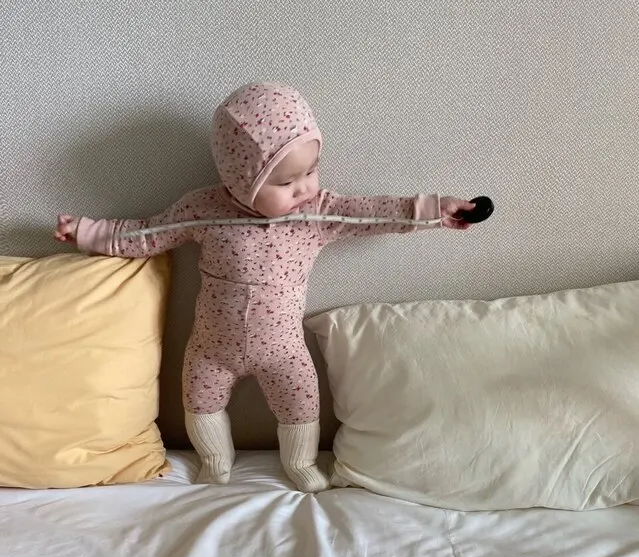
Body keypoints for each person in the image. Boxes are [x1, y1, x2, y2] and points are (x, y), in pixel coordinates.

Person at [55, 82, 476, 492]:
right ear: (241, 180)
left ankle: (300, 463)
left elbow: (371, 213)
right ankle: (216, 462)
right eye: (286, 182)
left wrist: (434, 211)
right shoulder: (204, 209)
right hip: (210, 348)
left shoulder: (316, 213)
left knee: (302, 402)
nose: (304, 187)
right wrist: (88, 232)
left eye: (311, 171)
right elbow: (148, 233)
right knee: (198, 400)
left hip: (283, 350)